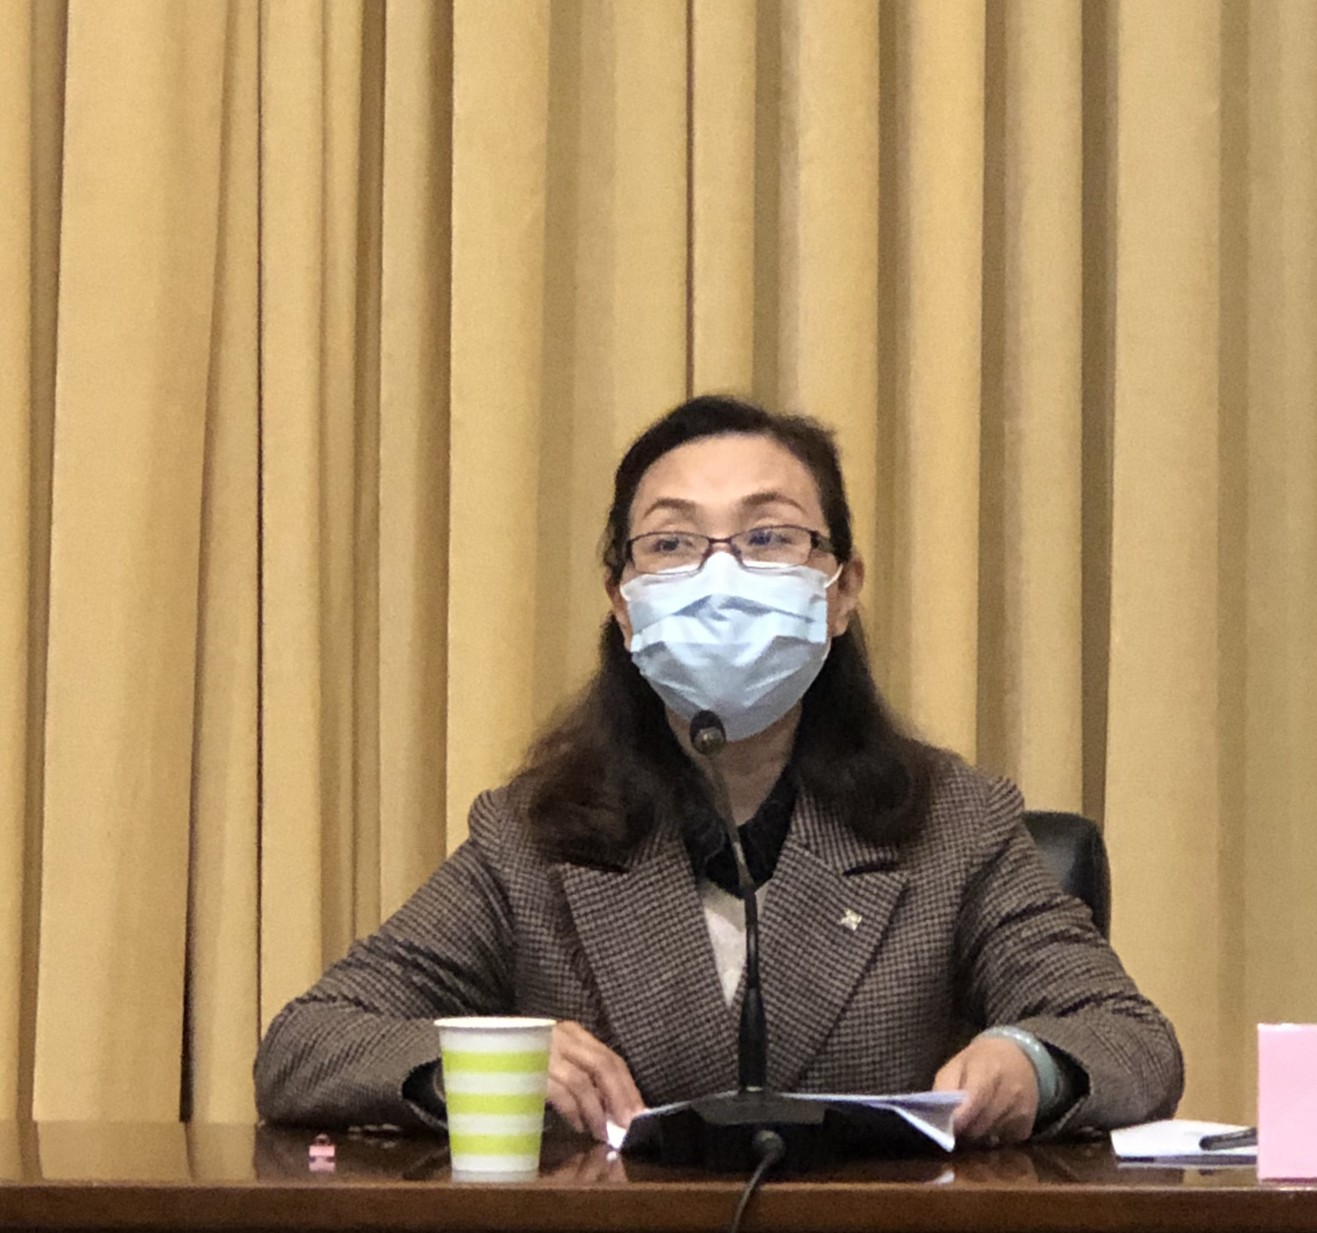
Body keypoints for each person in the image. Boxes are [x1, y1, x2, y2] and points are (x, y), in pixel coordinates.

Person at [254, 395, 1183, 1147]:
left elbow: (1130, 1039)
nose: (721, 576)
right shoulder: (533, 839)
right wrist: (486, 1064)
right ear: (624, 604)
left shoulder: (954, 824)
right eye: (672, 542)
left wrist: (1030, 1062)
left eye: (769, 537)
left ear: (842, 591)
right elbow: (306, 1044)